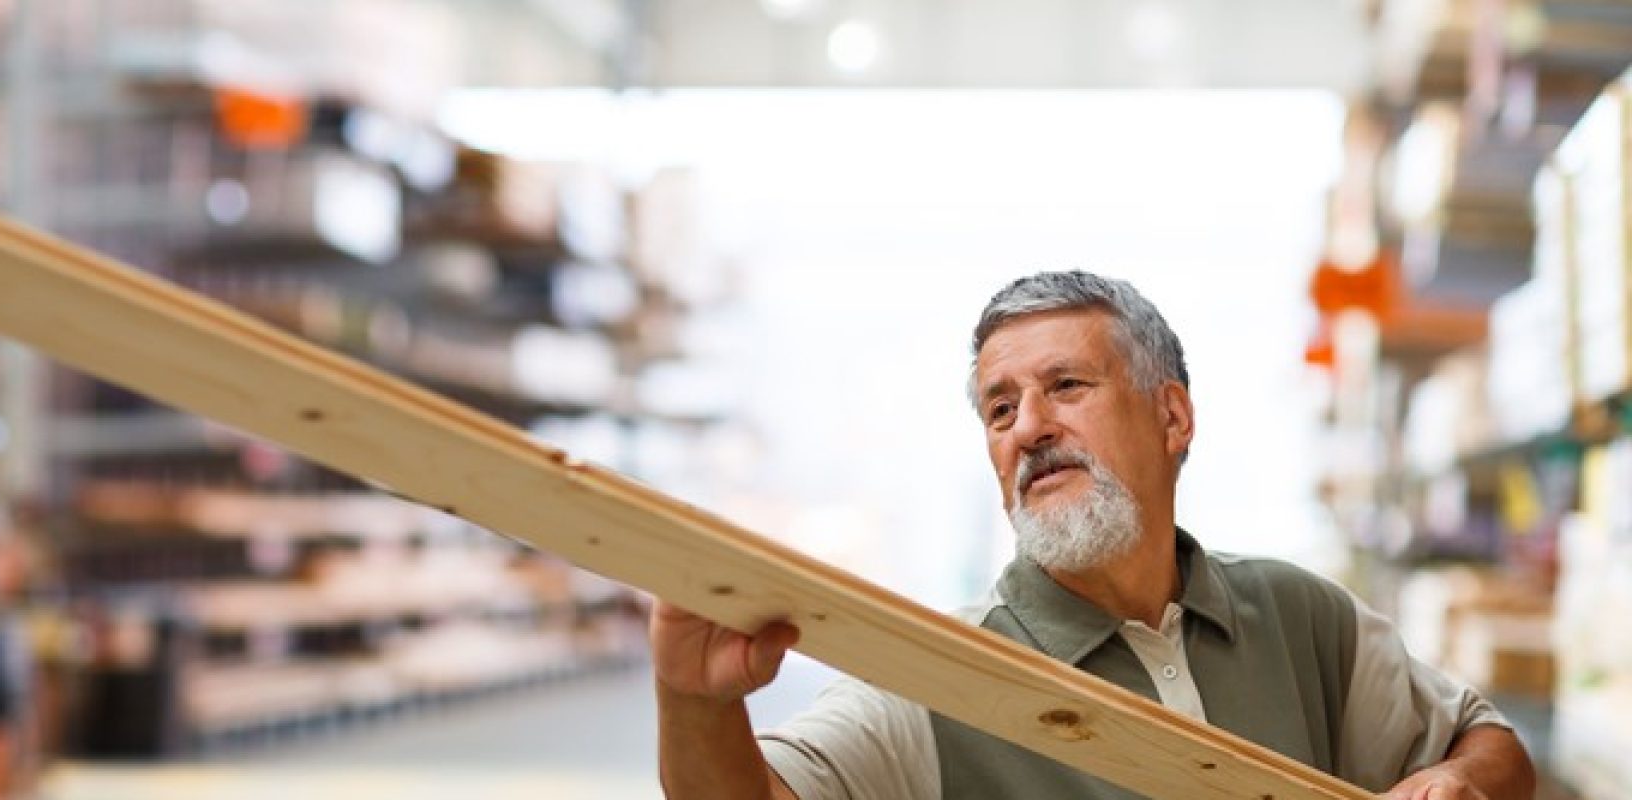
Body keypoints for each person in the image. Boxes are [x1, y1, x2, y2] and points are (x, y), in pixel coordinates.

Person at [651, 271, 1535, 800]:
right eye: (1001, 408)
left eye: (1066, 386)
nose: (1028, 427)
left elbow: (1492, 745)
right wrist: (694, 699)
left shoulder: (1301, 618)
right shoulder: (938, 679)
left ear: (1172, 417)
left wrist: (1459, 783)